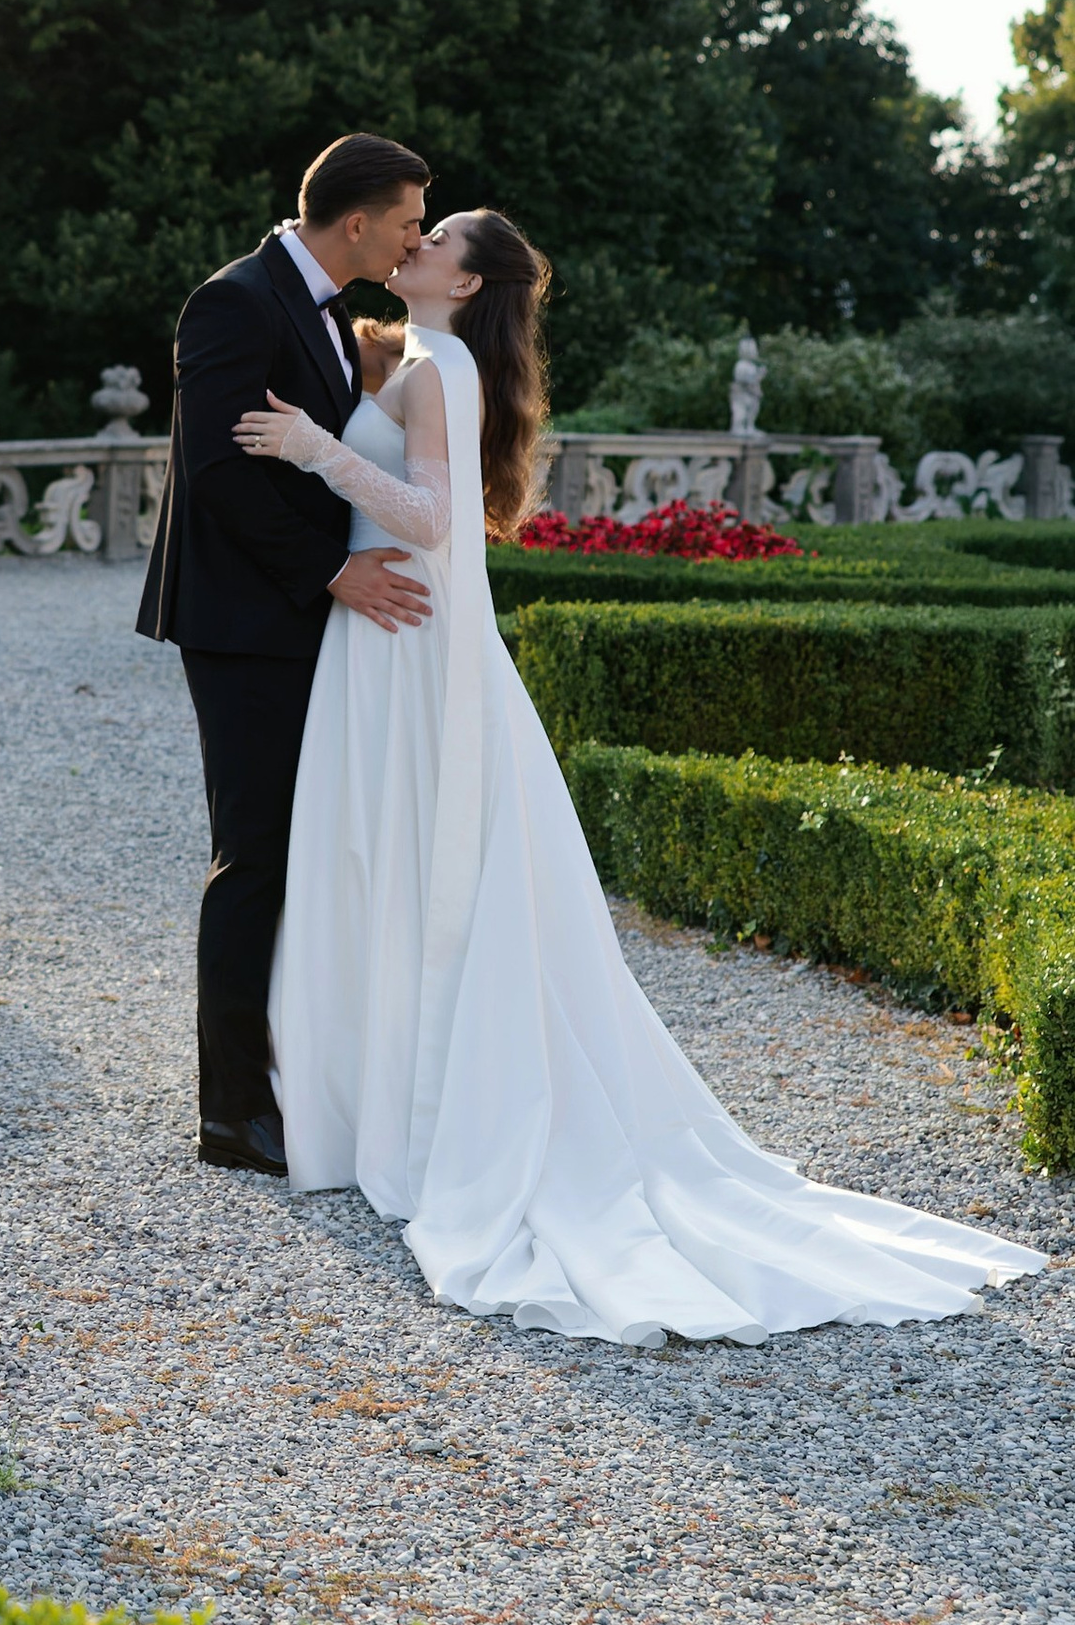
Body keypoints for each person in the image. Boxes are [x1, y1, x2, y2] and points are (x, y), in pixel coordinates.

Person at [231, 209, 1045, 1342]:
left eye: (439, 237)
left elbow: (435, 520)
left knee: (408, 859)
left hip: (409, 640)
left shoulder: (444, 366)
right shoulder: (409, 354)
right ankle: (362, 1091)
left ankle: (417, 1107)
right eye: (416, 228)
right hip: (378, 644)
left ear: (465, 284)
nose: (417, 242)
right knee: (375, 857)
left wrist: (312, 449)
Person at [137, 132, 435, 1173]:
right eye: (406, 220)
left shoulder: (321, 314)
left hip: (296, 621)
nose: (413, 238)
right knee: (252, 857)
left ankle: (286, 1077)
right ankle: (228, 1112)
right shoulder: (234, 301)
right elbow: (217, 470)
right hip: (242, 623)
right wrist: (330, 573)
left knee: (300, 850)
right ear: (355, 222)